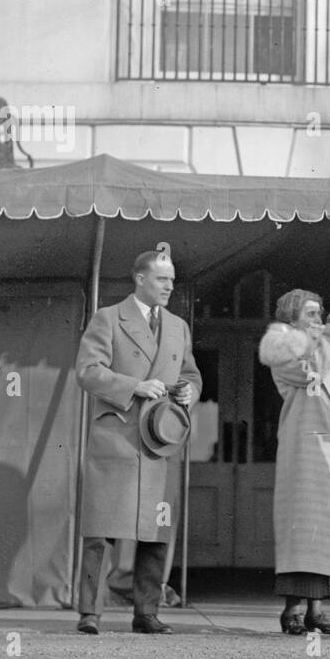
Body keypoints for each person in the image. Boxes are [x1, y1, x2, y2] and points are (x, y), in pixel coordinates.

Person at [75, 250, 201, 635]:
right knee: (102, 528)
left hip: (159, 439)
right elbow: (87, 371)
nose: (170, 286)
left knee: (156, 528)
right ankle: (90, 613)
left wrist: (189, 393)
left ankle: (146, 612)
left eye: (173, 279)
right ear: (140, 279)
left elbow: (191, 373)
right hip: (117, 437)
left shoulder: (178, 326)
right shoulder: (108, 319)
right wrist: (134, 386)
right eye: (163, 279)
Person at [259, 290, 330, 634]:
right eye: (310, 314)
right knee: (304, 533)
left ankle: (316, 612)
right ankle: (292, 611)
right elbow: (315, 373)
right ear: (292, 318)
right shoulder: (285, 347)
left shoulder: (322, 343)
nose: (318, 319)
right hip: (305, 453)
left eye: (320, 313)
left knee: (326, 532)